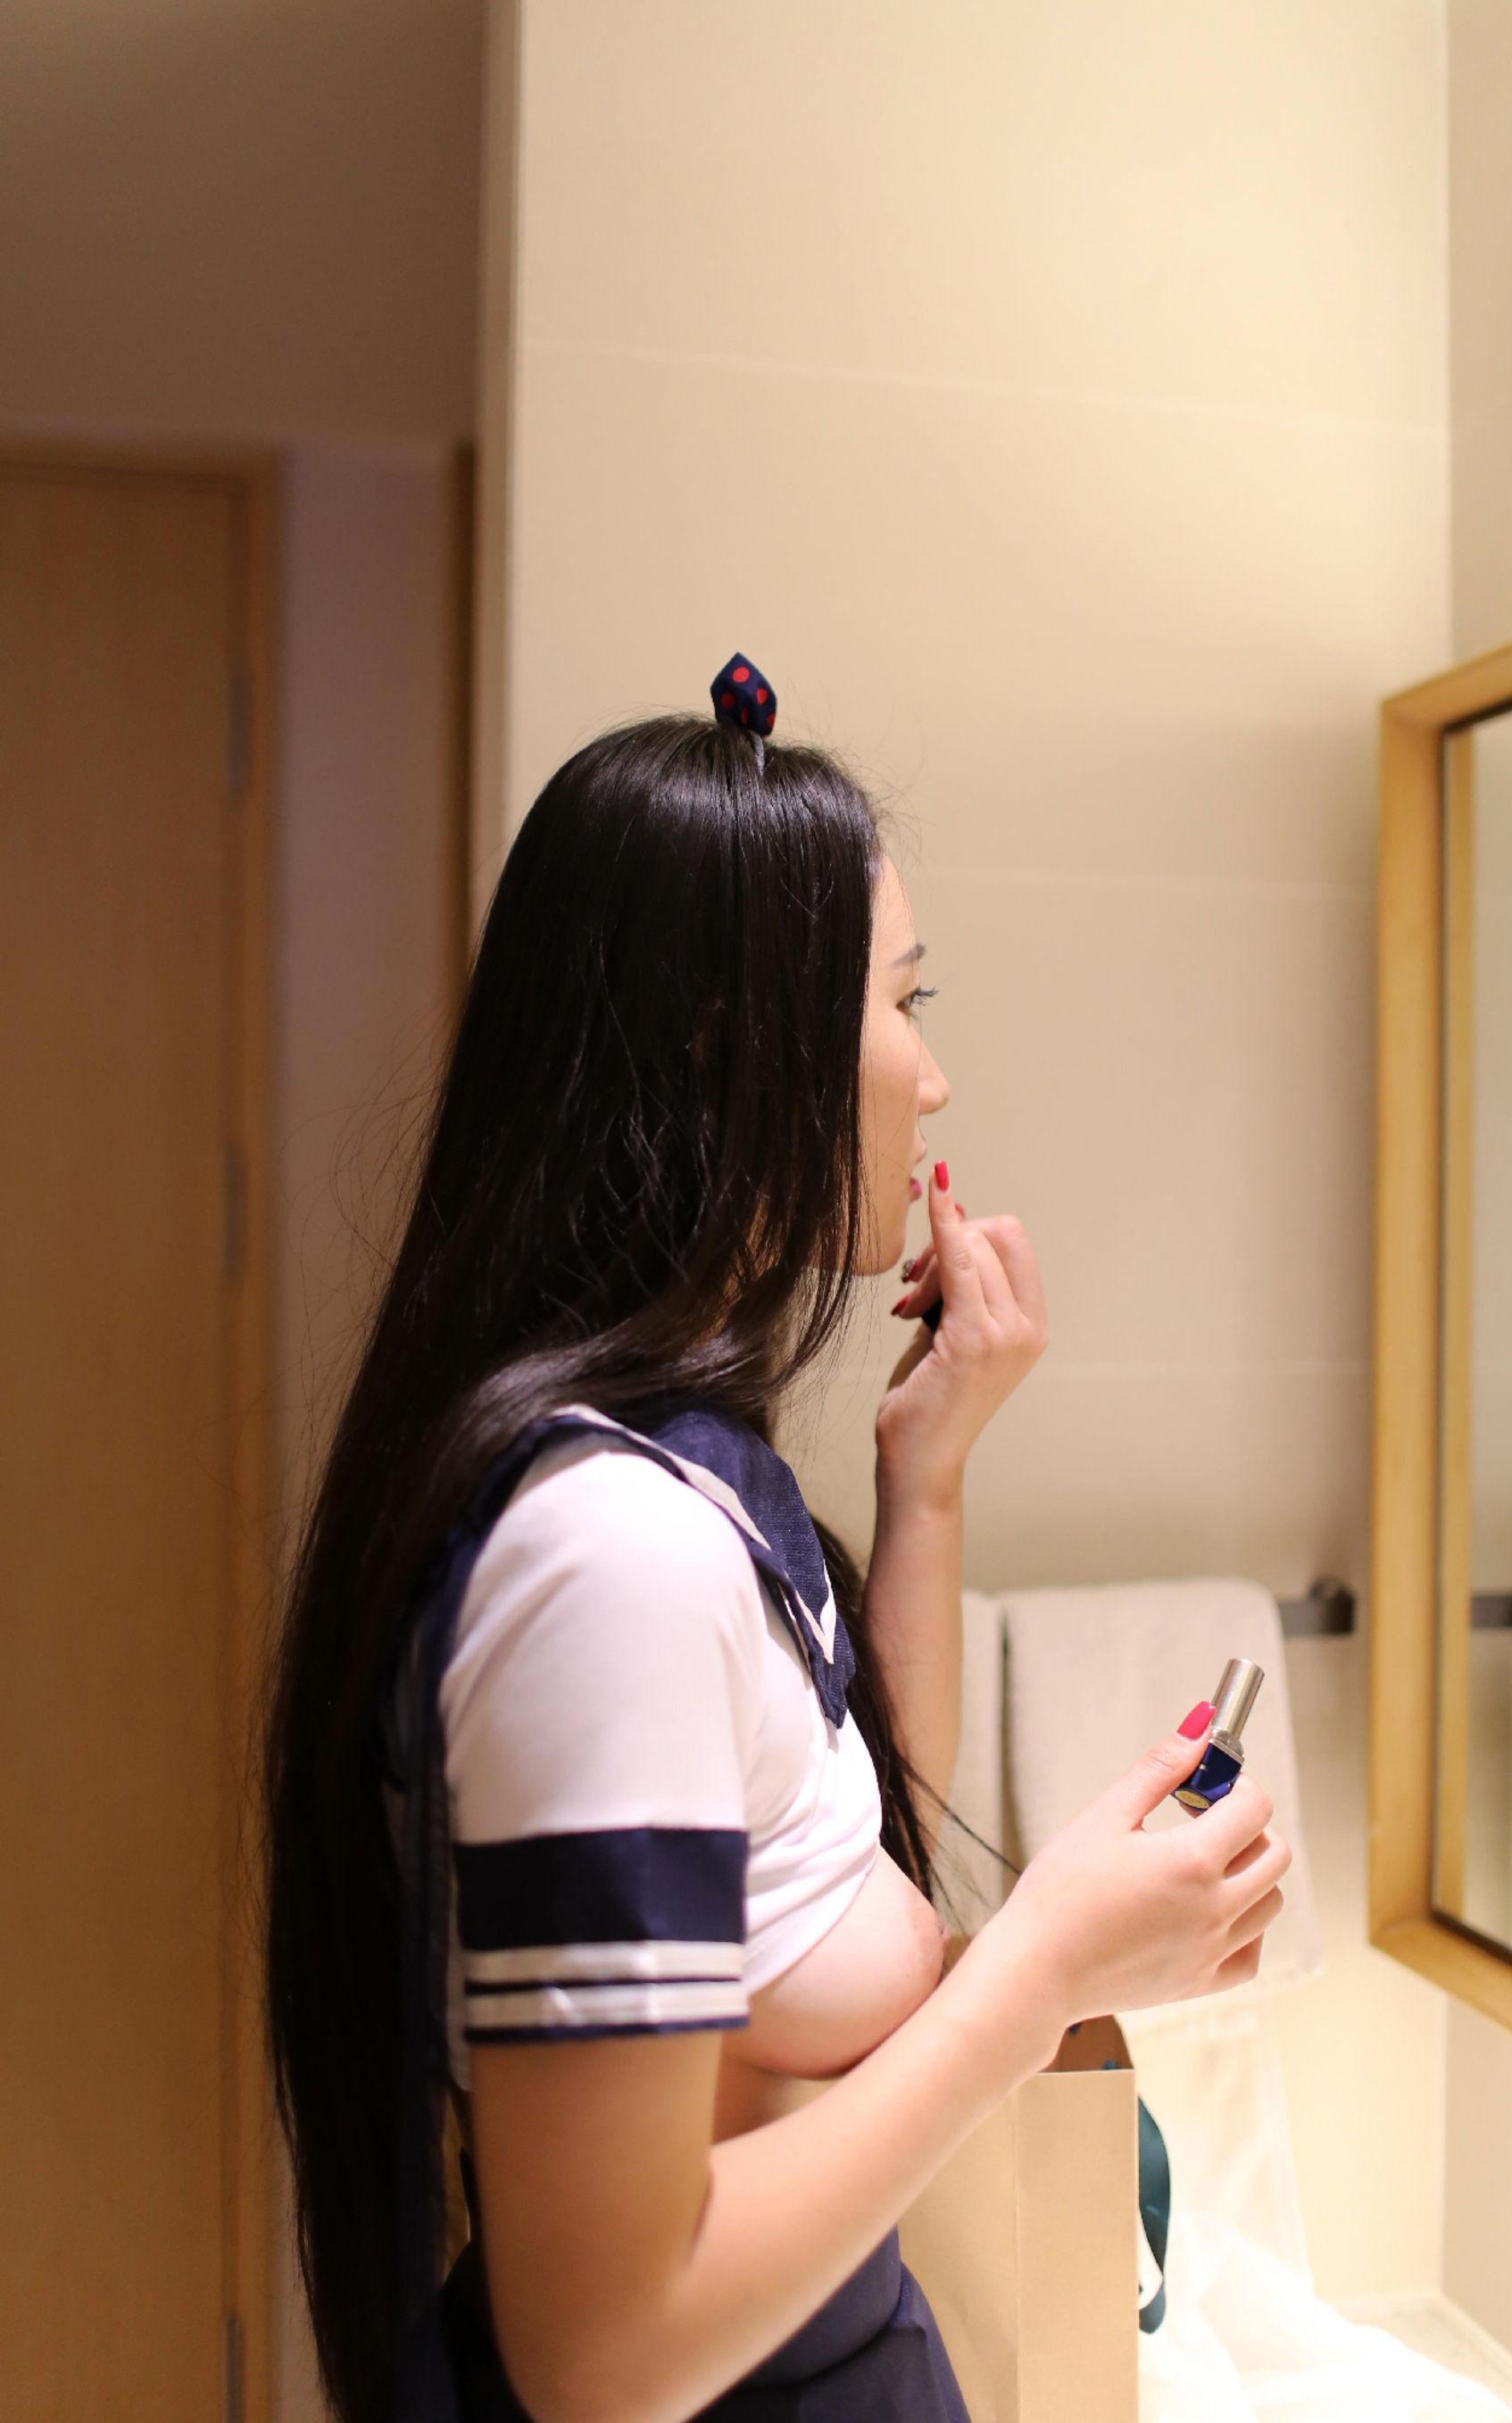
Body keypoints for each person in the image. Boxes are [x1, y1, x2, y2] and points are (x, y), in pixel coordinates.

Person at [262, 659, 1291, 2423]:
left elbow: (841, 1866)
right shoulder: (609, 1559)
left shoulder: (685, 1475)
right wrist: (1046, 1962)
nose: (934, 1077)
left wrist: (928, 1477)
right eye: (905, 999)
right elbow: (607, 2352)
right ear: (735, 1047)